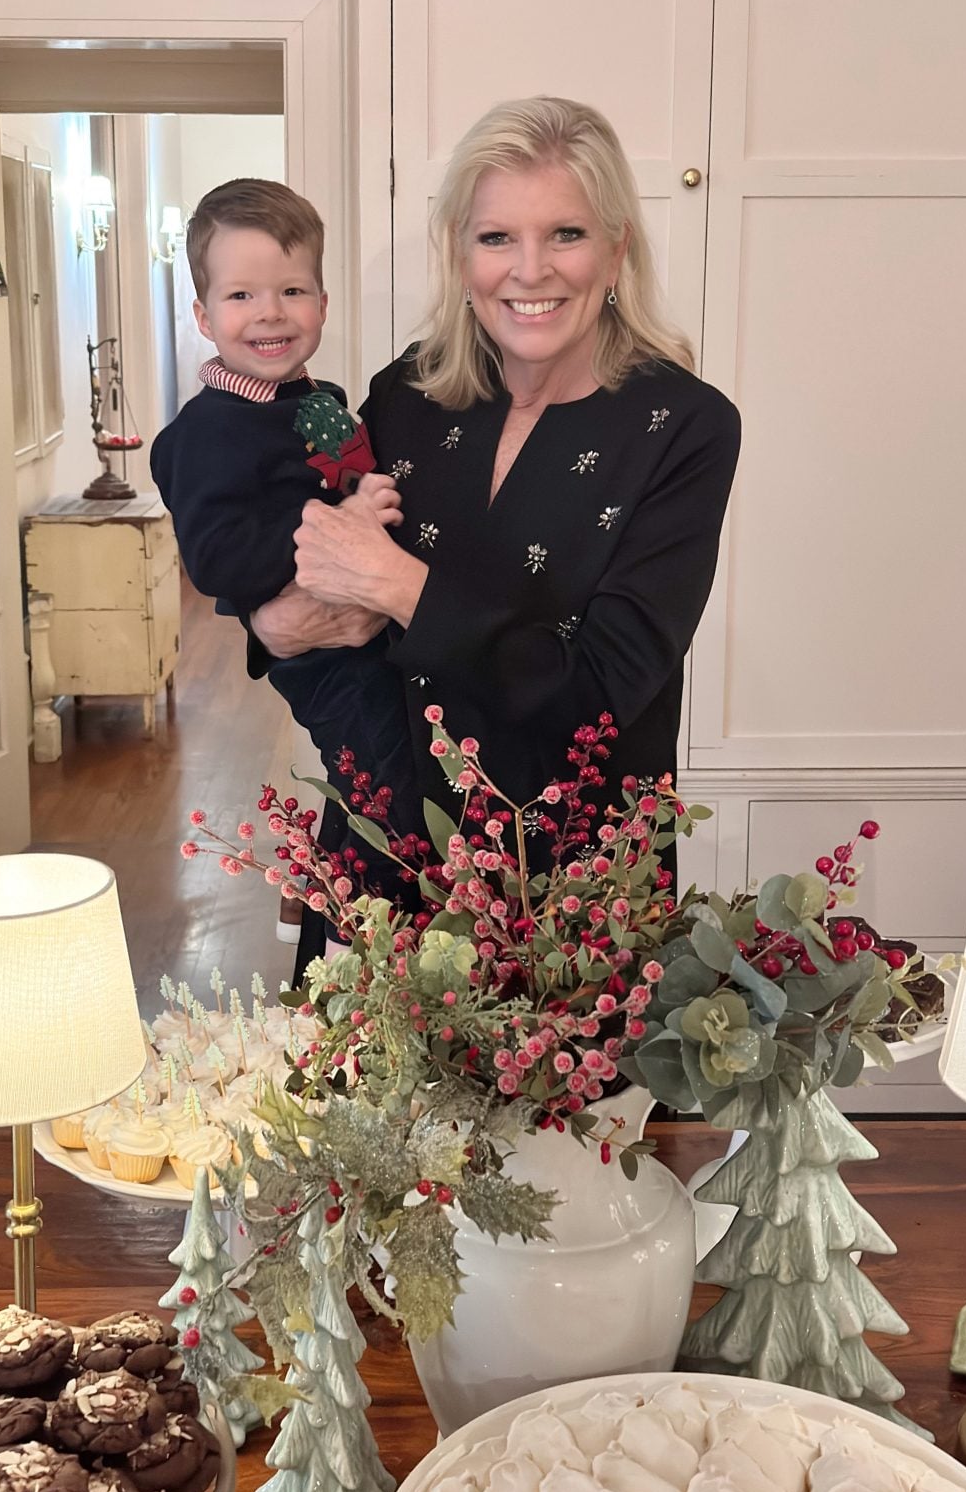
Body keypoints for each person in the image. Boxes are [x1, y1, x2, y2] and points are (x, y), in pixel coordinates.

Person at [245, 97, 742, 978]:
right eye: (497, 238)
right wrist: (270, 625)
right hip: (383, 855)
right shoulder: (406, 394)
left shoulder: (684, 427)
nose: (530, 270)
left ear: (619, 248)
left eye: (567, 234)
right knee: (348, 1111)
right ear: (459, 254)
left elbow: (602, 691)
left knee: (568, 1122)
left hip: (566, 889)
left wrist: (396, 586)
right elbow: (309, 577)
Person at [149, 179, 420, 883]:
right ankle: (363, 928)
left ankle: (349, 904)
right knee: (383, 785)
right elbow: (216, 560)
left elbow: (349, 475)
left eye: (293, 291)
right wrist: (333, 533)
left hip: (388, 628)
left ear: (323, 303)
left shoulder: (322, 400)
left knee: (410, 768)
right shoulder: (204, 434)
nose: (271, 313)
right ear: (204, 316)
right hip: (326, 661)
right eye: (241, 296)